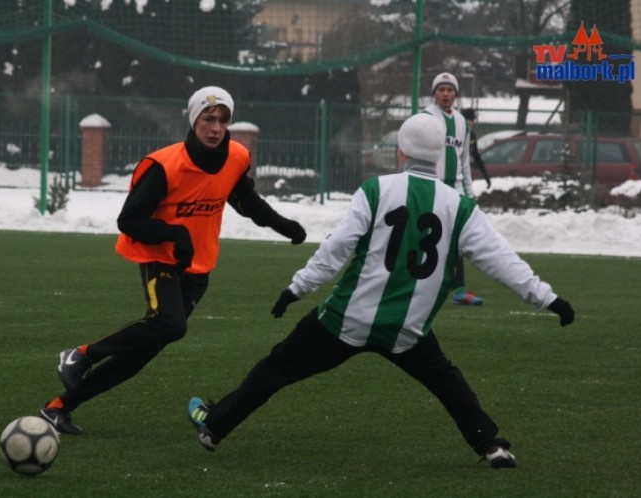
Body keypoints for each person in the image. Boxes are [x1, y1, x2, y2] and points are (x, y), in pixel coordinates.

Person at [186, 112, 575, 469]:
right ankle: (492, 446)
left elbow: (335, 249)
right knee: (448, 383)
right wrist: (547, 298)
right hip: (407, 328)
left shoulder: (376, 190)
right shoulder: (459, 206)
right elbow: (502, 261)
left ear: (401, 150)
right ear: (439, 155)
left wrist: (296, 288)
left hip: (347, 320)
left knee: (278, 367)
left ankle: (214, 427)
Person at [39, 86, 307, 435]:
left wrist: (282, 225)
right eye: (208, 119)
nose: (215, 127)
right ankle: (82, 354)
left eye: (223, 120)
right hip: (159, 257)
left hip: (198, 266)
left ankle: (59, 407)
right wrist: (176, 234)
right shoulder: (164, 165)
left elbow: (244, 200)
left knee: (143, 351)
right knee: (170, 324)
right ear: (193, 119)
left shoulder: (236, 157)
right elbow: (130, 221)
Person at [424, 72, 484, 305]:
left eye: (450, 89)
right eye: (441, 89)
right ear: (434, 93)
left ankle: (459, 290)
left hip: (455, 189)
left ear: (456, 93)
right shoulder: (425, 118)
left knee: (457, 237)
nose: (446, 94)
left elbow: (465, 161)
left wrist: (470, 193)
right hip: (431, 186)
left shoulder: (461, 122)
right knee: (428, 236)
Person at [460, 108, 491, 190]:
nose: (470, 122)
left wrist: (485, 173)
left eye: (472, 120)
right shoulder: (456, 133)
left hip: (464, 175)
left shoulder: (472, 136)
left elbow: (476, 155)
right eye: (467, 120)